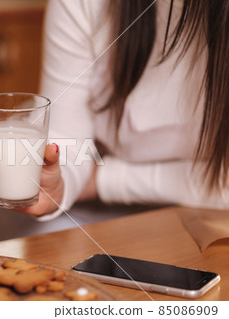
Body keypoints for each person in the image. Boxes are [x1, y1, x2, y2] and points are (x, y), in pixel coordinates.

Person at [20, 0, 229, 220]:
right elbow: (65, 142)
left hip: (211, 213)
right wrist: (58, 183)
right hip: (90, 207)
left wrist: (103, 180)